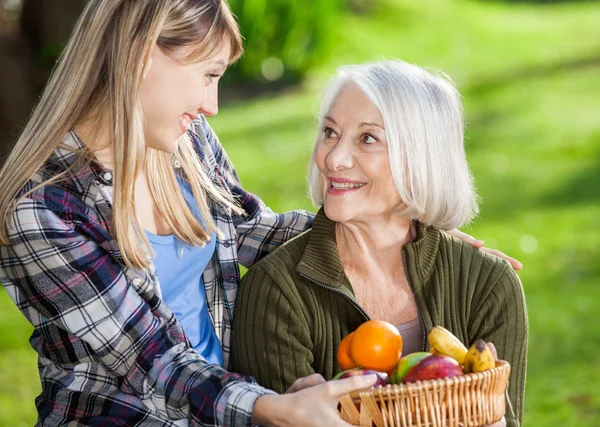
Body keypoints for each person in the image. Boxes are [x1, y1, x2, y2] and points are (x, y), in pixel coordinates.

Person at [0, 1, 521, 425]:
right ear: (140, 57)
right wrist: (273, 408)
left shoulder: (182, 143)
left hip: (226, 400)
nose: (213, 104)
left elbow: (250, 230)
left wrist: (397, 229)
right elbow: (152, 360)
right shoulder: (41, 208)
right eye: (207, 75)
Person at [231, 60, 528, 427]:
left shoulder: (488, 285)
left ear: (421, 158)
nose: (334, 158)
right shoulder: (275, 291)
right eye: (330, 132)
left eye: (368, 138)